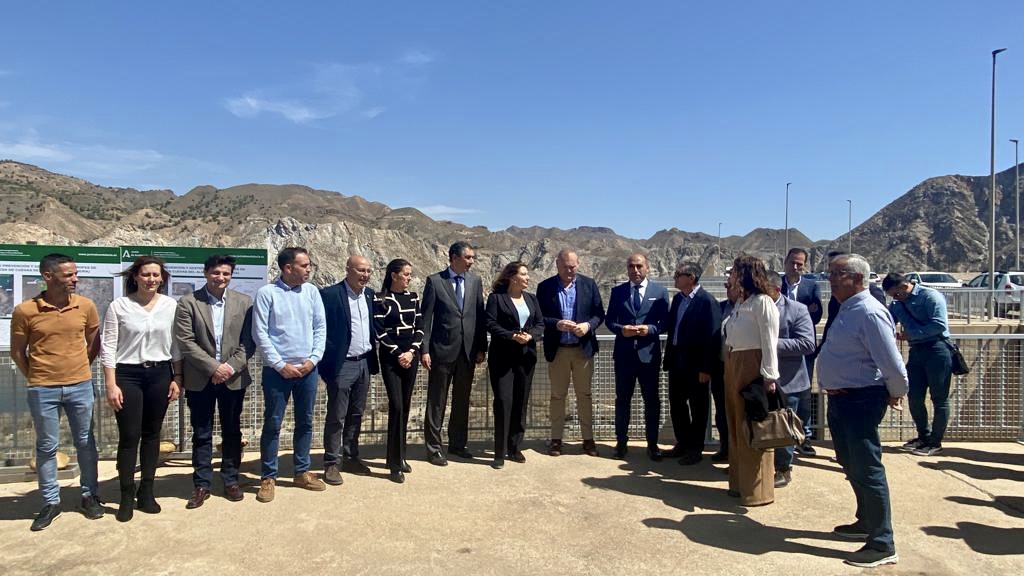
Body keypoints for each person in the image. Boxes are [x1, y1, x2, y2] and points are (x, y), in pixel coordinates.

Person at [819, 254, 907, 568]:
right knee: (849, 461)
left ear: (858, 279)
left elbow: (891, 362)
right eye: (830, 273)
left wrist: (896, 392)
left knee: (868, 468)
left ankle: (883, 542)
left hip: (860, 401)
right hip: (843, 400)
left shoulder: (869, 312)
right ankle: (866, 521)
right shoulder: (846, 309)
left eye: (836, 273)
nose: (830, 278)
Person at [11, 253, 102, 531]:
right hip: (43, 389)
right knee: (47, 446)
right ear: (48, 277)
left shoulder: (85, 306)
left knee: (86, 443)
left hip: (80, 386)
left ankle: (89, 495)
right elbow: (18, 351)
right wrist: (38, 377)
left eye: (75, 274)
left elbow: (93, 342)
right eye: (69, 275)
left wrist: (78, 369)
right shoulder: (25, 311)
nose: (75, 279)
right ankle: (50, 502)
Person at [101, 256, 182, 522]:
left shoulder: (170, 306)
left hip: (160, 373)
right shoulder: (120, 306)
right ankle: (126, 493)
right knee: (129, 435)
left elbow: (176, 346)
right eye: (146, 274)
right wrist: (111, 384)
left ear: (162, 278)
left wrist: (177, 378)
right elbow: (109, 347)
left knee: (152, 434)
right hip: (128, 375)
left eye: (156, 275)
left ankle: (146, 491)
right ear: (135, 276)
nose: (151, 280)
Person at [174, 254, 256, 508]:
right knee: (202, 432)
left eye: (226, 274)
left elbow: (249, 341)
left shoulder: (244, 303)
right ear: (206, 273)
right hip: (201, 378)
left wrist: (229, 367)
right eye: (216, 273)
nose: (221, 278)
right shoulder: (188, 303)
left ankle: (231, 479)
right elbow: (185, 341)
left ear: (231, 275)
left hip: (233, 378)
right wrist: (213, 368)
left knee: (232, 430)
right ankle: (201, 484)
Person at [252, 247, 327, 503]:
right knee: (273, 423)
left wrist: (313, 359)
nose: (309, 269)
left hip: (308, 370)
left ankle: (302, 471)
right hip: (277, 372)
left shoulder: (312, 292)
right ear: (288, 268)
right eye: (305, 265)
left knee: (305, 422)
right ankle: (268, 476)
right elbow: (260, 333)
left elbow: (320, 328)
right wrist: (279, 364)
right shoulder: (266, 294)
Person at [420, 241, 487, 465]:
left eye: (472, 258)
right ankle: (434, 448)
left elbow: (479, 316)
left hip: (467, 353)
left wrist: (481, 348)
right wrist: (425, 350)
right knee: (437, 401)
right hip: (441, 352)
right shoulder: (435, 281)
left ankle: (458, 444)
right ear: (454, 258)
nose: (471, 262)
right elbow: (426, 319)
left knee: (462, 400)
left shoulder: (475, 281)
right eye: (468, 257)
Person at [536, 249, 605, 457]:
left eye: (573, 266)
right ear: (557, 264)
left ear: (579, 264)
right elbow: (539, 318)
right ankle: (556, 440)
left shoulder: (589, 284)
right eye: (566, 266)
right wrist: (556, 324)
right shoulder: (545, 287)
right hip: (558, 351)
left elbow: (599, 314)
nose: (569, 270)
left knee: (584, 395)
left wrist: (587, 326)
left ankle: (588, 440)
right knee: (558, 396)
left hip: (582, 351)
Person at [722, 255, 779, 506]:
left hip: (752, 365)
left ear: (745, 274)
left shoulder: (763, 302)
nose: (730, 276)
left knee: (753, 427)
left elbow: (769, 340)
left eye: (734, 271)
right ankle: (739, 484)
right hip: (734, 364)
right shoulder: (741, 303)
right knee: (735, 423)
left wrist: (769, 375)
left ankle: (758, 491)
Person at [319, 255, 380, 484]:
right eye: (360, 270)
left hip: (364, 362)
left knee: (356, 413)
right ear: (348, 269)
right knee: (336, 415)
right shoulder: (330, 295)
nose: (365, 275)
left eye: (368, 271)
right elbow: (321, 329)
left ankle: (351, 456)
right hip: (342, 364)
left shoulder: (370, 295)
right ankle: (331, 463)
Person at [606, 253, 670, 460]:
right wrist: (621, 329)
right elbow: (609, 321)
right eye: (631, 266)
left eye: (639, 266)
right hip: (624, 356)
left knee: (651, 401)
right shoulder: (618, 292)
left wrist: (650, 329)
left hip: (648, 356)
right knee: (622, 400)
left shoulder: (659, 292)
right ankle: (621, 443)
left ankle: (652, 445)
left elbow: (665, 322)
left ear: (647, 268)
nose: (635, 270)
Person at [883, 272, 952, 457]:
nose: (895, 299)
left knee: (939, 398)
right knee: (914, 396)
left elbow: (939, 325)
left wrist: (911, 334)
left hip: (937, 350)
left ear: (904, 287)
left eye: (896, 294)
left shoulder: (930, 297)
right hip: (916, 352)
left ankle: (935, 442)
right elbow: (887, 322)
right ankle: (924, 436)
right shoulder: (897, 304)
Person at [485, 261, 544, 469]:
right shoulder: (496, 299)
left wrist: (530, 337)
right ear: (512, 277)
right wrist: (511, 336)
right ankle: (499, 452)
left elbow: (540, 324)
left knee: (521, 401)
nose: (528, 278)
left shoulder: (532, 299)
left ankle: (515, 447)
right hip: (502, 357)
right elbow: (490, 323)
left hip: (526, 357)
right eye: (524, 274)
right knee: (503, 401)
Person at [662, 262, 722, 465]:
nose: (675, 278)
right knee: (677, 405)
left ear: (692, 278)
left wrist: (706, 368)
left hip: (697, 367)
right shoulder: (678, 299)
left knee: (698, 408)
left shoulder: (708, 302)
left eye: (679, 275)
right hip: (677, 362)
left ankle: (695, 449)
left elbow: (713, 338)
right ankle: (683, 443)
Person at [373, 258, 424, 483]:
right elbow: (380, 331)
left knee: (405, 406)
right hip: (391, 360)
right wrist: (398, 353)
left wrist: (412, 352)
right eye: (405, 274)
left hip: (410, 358)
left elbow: (420, 328)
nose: (409, 278)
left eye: (410, 275)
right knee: (395, 405)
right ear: (394, 275)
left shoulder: (413, 298)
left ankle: (399, 455)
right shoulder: (380, 299)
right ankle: (394, 465)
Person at [766, 271, 816, 488]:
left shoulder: (797, 310)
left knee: (784, 427)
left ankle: (783, 469)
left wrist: (770, 343)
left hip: (789, 381)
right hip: (760, 380)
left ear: (776, 290)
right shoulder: (753, 308)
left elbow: (807, 344)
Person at [781, 247, 823, 456]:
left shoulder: (811, 286)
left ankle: (803, 437)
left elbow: (816, 315)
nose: (795, 267)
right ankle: (783, 436)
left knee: (804, 395)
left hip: (803, 349)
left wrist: (800, 320)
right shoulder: (775, 285)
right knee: (784, 396)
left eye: (800, 264)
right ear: (785, 262)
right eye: (792, 263)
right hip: (780, 351)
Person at [709, 274, 742, 462]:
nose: (727, 289)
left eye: (730, 285)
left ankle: (738, 455)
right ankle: (725, 448)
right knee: (722, 411)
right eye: (725, 285)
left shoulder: (748, 308)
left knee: (738, 412)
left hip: (740, 369)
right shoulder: (720, 307)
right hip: (720, 368)